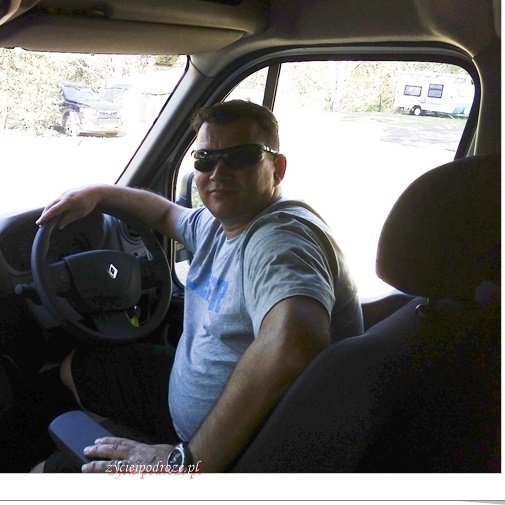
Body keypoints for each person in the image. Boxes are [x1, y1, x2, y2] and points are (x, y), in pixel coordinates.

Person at [32, 99, 363, 473]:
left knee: (48, 472)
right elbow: (164, 212)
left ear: (277, 168)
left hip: (226, 451)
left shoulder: (280, 239)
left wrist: (184, 462)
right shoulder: (220, 223)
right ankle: (121, 435)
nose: (218, 172)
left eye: (240, 157)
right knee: (76, 367)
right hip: (186, 401)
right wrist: (99, 193)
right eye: (205, 159)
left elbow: (295, 342)